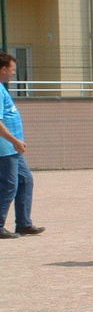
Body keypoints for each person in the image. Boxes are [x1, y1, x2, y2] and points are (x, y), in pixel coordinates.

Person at [0, 52, 44, 239]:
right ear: (3, 69)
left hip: (13, 149)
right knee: (9, 185)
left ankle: (24, 224)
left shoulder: (2, 88)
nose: (13, 74)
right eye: (12, 70)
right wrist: (15, 141)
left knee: (25, 181)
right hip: (5, 149)